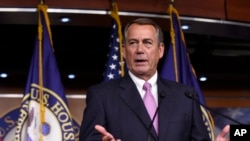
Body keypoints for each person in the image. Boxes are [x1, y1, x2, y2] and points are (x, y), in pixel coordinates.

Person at [79, 18, 230, 141]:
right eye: (133, 43)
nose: (139, 50)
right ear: (124, 51)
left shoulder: (185, 96)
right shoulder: (101, 96)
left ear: (160, 50)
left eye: (147, 42)